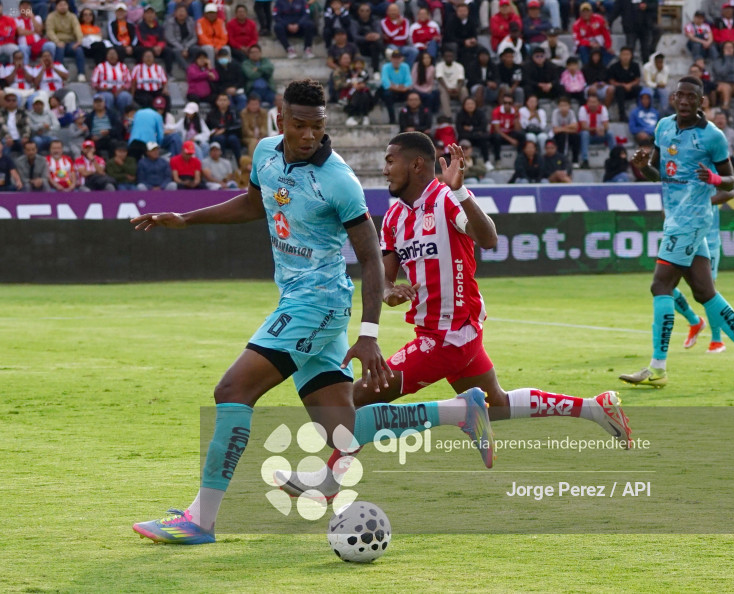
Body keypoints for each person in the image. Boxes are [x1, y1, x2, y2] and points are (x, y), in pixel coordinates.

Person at [130, 81, 496, 544]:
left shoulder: (339, 180)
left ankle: (201, 518)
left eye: (317, 127)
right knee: (342, 430)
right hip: (297, 299)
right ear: (280, 121)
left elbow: (369, 259)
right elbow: (252, 203)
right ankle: (459, 411)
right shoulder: (265, 152)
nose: (308, 136)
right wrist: (186, 217)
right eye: (299, 125)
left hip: (318, 302)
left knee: (232, 389)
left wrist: (368, 333)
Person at [278, 134, 631, 500]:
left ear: (415, 164)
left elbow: (489, 238)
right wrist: (389, 291)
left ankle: (330, 479)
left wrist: (461, 191)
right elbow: (384, 277)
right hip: (447, 336)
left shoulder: (447, 200)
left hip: (448, 338)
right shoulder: (395, 217)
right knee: (497, 405)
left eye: (390, 160)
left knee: (355, 399)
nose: (384, 169)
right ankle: (595, 408)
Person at [622, 76, 734, 389]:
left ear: (702, 101)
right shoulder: (663, 127)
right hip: (676, 217)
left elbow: (731, 182)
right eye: (681, 95)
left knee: (660, 285)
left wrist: (714, 179)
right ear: (674, 97)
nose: (686, 101)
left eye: (693, 96)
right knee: (704, 292)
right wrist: (642, 167)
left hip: (692, 218)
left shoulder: (712, 136)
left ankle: (657, 368)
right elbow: (659, 174)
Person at [672, 188, 734, 355]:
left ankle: (716, 340)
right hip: (682, 237)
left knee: (709, 291)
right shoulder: (678, 175)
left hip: (709, 239)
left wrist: (702, 203)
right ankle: (695, 321)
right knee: (665, 286)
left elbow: (729, 191)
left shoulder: (708, 170)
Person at [45, 0, 86, 82]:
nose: (63, 6)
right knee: (60, 49)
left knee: (79, 50)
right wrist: (57, 41)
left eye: (65, 4)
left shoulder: (72, 16)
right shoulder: (51, 16)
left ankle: (81, 74)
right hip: (57, 42)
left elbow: (77, 29)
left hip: (70, 43)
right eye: (60, 5)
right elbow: (50, 31)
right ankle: (60, 74)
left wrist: (79, 41)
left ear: (68, 6)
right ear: (56, 6)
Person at [91, 48, 134, 113]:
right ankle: (109, 117)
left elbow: (128, 83)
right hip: (104, 91)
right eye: (110, 54)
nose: (112, 56)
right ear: (106, 56)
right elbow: (94, 83)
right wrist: (102, 89)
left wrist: (121, 89)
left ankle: (124, 118)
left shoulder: (123, 67)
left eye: (114, 54)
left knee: (125, 96)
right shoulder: (100, 67)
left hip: (120, 91)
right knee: (108, 97)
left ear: (117, 56)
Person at [577, 92, 613, 169]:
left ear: (598, 103)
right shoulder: (583, 109)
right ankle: (585, 160)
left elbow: (606, 125)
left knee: (610, 133)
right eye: (590, 102)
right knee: (584, 134)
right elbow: (583, 126)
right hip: (588, 136)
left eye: (594, 102)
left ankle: (614, 157)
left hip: (599, 135)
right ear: (587, 103)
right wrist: (596, 129)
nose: (592, 104)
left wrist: (603, 129)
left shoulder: (603, 109)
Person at [15, 0, 57, 66]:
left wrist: (32, 17)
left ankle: (51, 66)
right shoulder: (16, 19)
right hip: (25, 45)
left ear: (30, 8)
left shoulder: (37, 18)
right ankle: (26, 69)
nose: (25, 8)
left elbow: (39, 30)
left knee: (51, 45)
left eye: (27, 6)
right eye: (23, 6)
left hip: (38, 44)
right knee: (22, 47)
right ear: (19, 8)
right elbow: (20, 32)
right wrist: (34, 32)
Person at [136, 6, 175, 75]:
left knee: (168, 51)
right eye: (147, 13)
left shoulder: (159, 27)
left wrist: (159, 47)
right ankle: (141, 72)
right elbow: (142, 40)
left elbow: (162, 39)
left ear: (155, 15)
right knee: (139, 50)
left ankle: (169, 73)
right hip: (147, 48)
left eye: (152, 13)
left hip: (158, 49)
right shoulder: (139, 26)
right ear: (144, 15)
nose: (150, 15)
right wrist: (153, 48)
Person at [573, 2, 614, 66]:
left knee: (611, 53)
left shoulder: (600, 19)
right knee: (582, 48)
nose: (585, 14)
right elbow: (577, 40)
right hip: (586, 46)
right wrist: (590, 44)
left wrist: (608, 46)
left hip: (600, 45)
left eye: (587, 11)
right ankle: (587, 68)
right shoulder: (576, 24)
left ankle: (600, 68)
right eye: (583, 12)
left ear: (591, 12)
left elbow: (606, 34)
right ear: (580, 13)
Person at [206, 92, 242, 163]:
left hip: (231, 134)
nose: (222, 102)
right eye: (220, 100)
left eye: (225, 100)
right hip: (218, 136)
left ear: (229, 102)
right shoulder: (211, 113)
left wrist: (225, 129)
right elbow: (208, 126)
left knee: (233, 139)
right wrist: (214, 131)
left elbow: (238, 125)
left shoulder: (233, 112)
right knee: (220, 138)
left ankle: (239, 162)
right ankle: (220, 161)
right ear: (216, 102)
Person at [608, 46, 641, 120]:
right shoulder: (614, 67)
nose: (625, 57)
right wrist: (623, 85)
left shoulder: (635, 66)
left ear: (631, 56)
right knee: (619, 90)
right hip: (619, 90)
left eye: (627, 54)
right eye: (623, 54)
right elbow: (611, 81)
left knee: (640, 89)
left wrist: (630, 85)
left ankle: (640, 112)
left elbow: (637, 79)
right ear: (620, 56)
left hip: (631, 88)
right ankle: (622, 114)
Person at [86, 93, 123, 158]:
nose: (98, 104)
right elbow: (86, 130)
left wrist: (108, 131)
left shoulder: (112, 114)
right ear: (93, 104)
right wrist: (91, 136)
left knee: (113, 143)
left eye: (100, 102)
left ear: (104, 103)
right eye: (96, 102)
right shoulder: (89, 116)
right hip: (96, 139)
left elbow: (118, 127)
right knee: (91, 145)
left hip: (109, 137)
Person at [490, 94, 525, 163]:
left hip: (510, 132)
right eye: (505, 103)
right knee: (497, 137)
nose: (507, 105)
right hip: (499, 134)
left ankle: (520, 158)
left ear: (512, 104)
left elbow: (517, 129)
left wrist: (516, 117)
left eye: (509, 103)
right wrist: (511, 140)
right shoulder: (496, 111)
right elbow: (497, 130)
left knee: (521, 135)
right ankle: (497, 160)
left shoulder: (515, 111)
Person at [381, 49, 412, 125]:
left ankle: (409, 119)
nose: (396, 60)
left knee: (413, 95)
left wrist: (400, 87)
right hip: (392, 91)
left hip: (402, 91)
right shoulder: (385, 67)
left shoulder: (405, 66)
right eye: (394, 58)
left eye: (398, 58)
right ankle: (392, 119)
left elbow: (409, 81)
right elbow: (386, 82)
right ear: (391, 59)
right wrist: (399, 87)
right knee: (387, 95)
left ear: (401, 59)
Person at [435, 46, 467, 118]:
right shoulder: (439, 66)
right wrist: (447, 89)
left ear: (454, 57)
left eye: (451, 56)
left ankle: (466, 114)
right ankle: (448, 116)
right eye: (447, 56)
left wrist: (458, 88)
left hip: (456, 88)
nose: (449, 58)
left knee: (464, 90)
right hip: (445, 88)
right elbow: (440, 78)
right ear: (443, 57)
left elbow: (461, 79)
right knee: (442, 90)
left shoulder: (459, 66)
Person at [351, 3, 383, 74]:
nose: (364, 13)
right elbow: (355, 37)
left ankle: (375, 71)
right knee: (377, 44)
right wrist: (366, 38)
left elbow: (379, 33)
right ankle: (385, 57)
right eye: (362, 11)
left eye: (367, 11)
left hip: (374, 46)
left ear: (370, 12)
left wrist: (375, 36)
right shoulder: (354, 22)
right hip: (361, 47)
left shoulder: (374, 21)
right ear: (358, 12)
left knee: (376, 44)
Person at [165, 5, 198, 72]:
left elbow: (194, 37)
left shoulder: (191, 21)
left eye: (183, 11)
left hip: (188, 44)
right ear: (175, 13)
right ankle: (189, 70)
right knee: (176, 51)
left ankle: (195, 67)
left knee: (197, 49)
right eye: (179, 11)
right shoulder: (170, 22)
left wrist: (186, 47)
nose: (181, 13)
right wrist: (182, 48)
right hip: (175, 45)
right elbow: (170, 38)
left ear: (186, 13)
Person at [551, 95, 580, 164]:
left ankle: (575, 161)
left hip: (569, 134)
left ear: (569, 106)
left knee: (576, 137)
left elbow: (575, 128)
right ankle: (561, 160)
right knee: (562, 136)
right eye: (561, 105)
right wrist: (568, 128)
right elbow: (555, 130)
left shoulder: (571, 113)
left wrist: (562, 128)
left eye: (565, 105)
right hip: (558, 135)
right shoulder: (555, 113)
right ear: (558, 106)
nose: (563, 107)